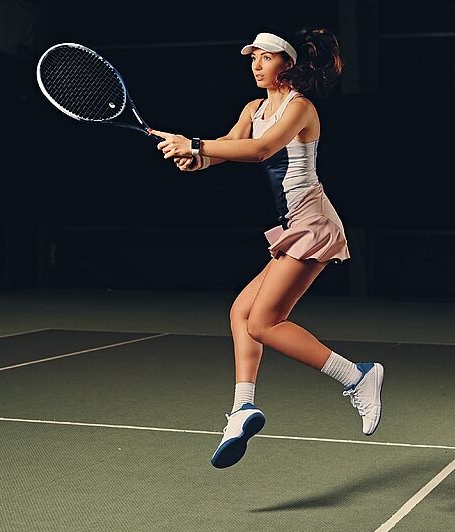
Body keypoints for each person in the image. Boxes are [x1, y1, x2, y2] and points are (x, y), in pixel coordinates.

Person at [150, 29, 383, 469]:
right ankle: (242, 408)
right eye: (252, 57)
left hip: (311, 222)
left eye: (266, 57)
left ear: (288, 65)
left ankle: (358, 376)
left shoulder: (301, 108)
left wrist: (197, 145)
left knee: (263, 322)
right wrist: (196, 157)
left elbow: (260, 150)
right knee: (240, 313)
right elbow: (231, 145)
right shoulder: (253, 107)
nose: (256, 65)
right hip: (290, 226)